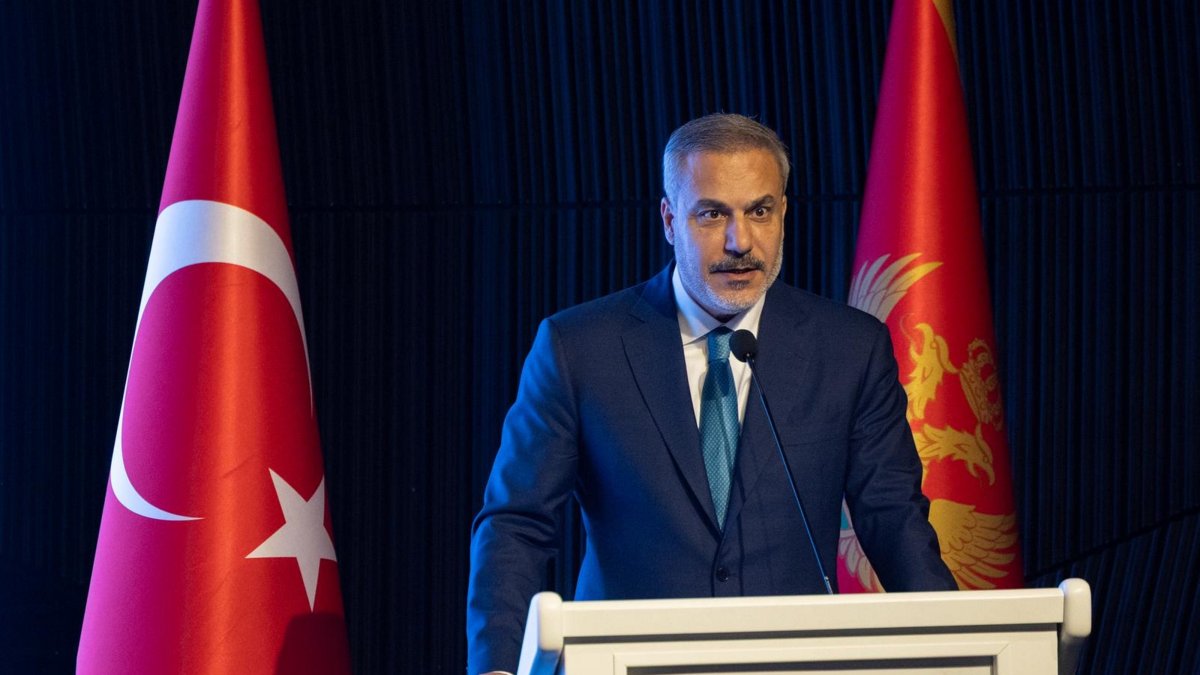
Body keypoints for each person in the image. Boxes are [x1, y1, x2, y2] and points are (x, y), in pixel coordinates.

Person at [467, 113, 955, 674]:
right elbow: (516, 524)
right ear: (670, 220)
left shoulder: (849, 349)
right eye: (712, 213)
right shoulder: (579, 348)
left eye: (759, 211)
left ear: (784, 215)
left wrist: (956, 648)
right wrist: (497, 666)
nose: (738, 241)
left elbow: (893, 515)